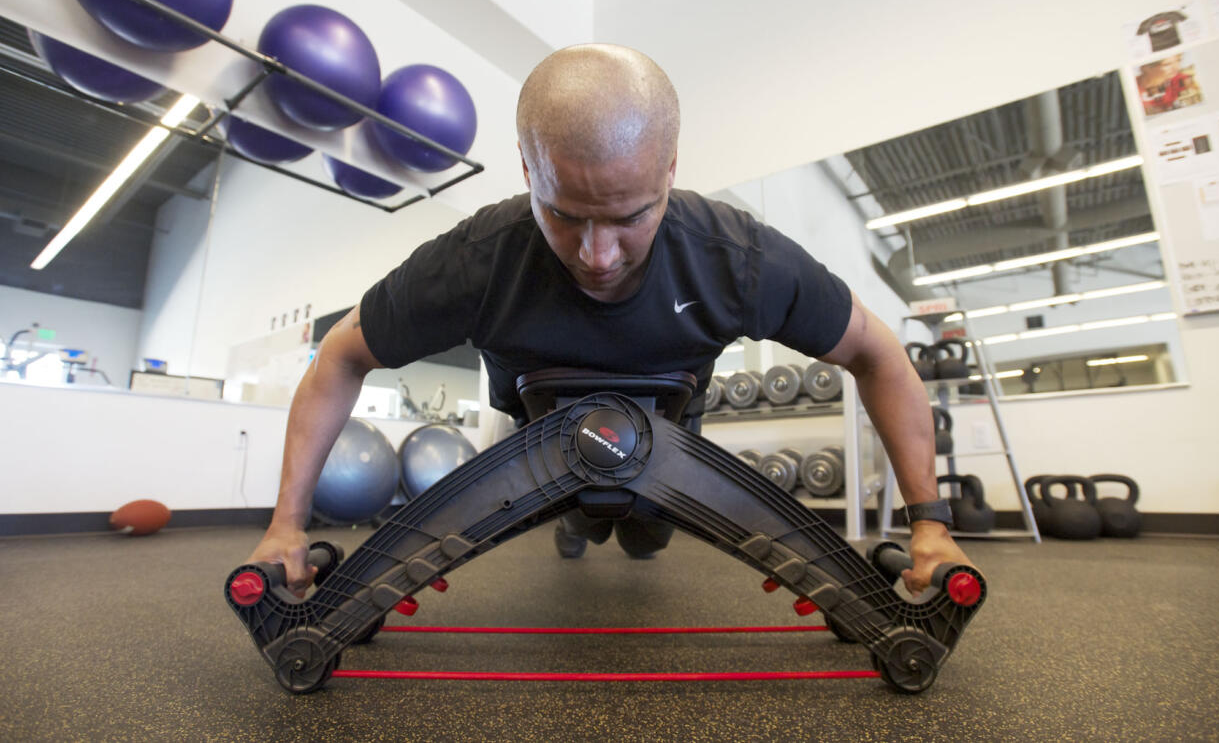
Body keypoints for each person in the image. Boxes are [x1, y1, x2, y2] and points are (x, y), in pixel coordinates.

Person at [248, 43, 973, 597]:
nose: (597, 255)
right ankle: (575, 522)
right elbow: (340, 355)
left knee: (647, 536)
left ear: (669, 169)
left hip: (672, 455)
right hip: (536, 460)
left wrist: (931, 527)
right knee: (581, 517)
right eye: (565, 215)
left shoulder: (737, 256)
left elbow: (879, 354)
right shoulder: (476, 260)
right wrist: (286, 525)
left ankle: (628, 526)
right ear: (530, 172)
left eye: (631, 217)